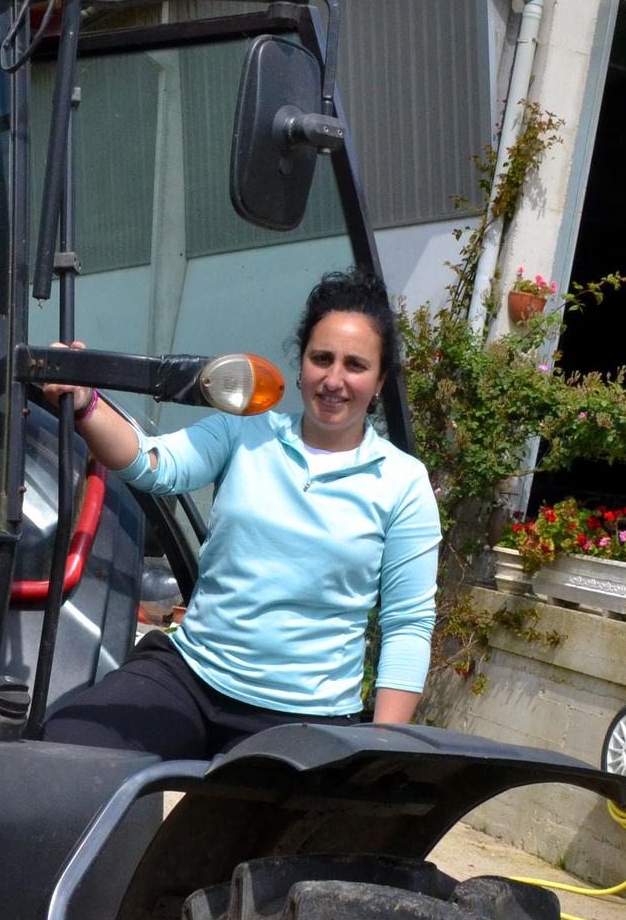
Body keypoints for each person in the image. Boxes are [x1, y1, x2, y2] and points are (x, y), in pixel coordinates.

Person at [36, 270, 440, 760]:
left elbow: (407, 625)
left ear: (379, 381)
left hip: (305, 715)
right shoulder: (245, 431)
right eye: (321, 359)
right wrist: (84, 402)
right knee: (64, 748)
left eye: (355, 365)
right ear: (300, 367)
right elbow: (153, 463)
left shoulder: (403, 482)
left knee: (244, 833)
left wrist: (379, 750)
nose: (334, 380)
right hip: (192, 677)